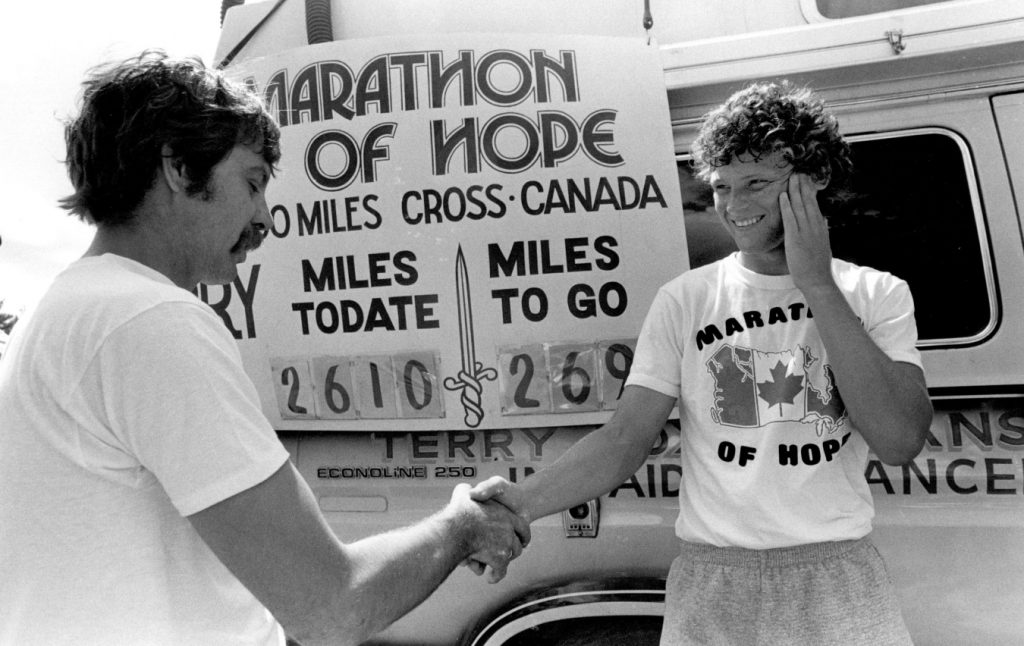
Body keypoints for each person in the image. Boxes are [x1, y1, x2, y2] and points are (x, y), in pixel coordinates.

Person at [0, 51, 528, 646]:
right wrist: (462, 526)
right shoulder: (150, 320)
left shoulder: (61, 313)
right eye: (252, 183)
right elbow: (333, 607)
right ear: (178, 166)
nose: (265, 218)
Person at [471, 81, 932, 645]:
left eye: (757, 183)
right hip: (714, 578)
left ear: (816, 180)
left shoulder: (876, 293)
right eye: (720, 187)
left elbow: (898, 440)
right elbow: (623, 441)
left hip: (836, 575)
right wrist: (519, 504)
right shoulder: (685, 299)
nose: (734, 208)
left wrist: (817, 284)